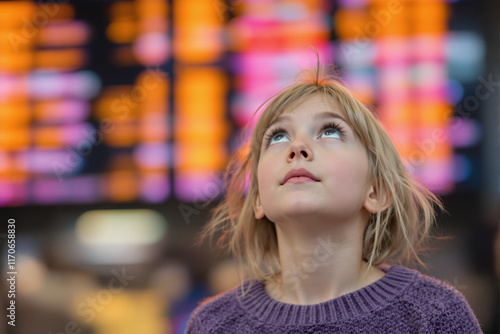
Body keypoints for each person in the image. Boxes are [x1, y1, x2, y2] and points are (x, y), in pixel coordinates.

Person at [185, 60, 483, 333]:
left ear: (376, 191)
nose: (297, 147)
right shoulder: (213, 324)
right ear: (258, 199)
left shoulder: (434, 315)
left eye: (330, 131)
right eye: (277, 136)